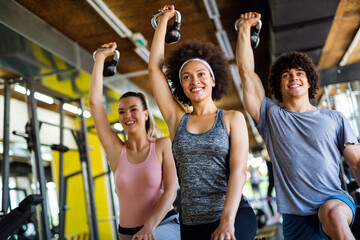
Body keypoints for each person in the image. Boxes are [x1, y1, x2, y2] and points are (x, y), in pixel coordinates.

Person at [236, 12, 360, 240]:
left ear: (309, 81)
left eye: (299, 73)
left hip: (335, 203)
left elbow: (357, 161)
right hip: (295, 218)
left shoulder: (335, 118)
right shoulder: (270, 116)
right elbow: (246, 73)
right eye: (286, 74)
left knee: (331, 214)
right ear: (278, 84)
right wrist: (244, 29)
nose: (293, 77)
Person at [148, 5, 257, 240]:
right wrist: (163, 23)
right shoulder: (177, 120)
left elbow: (239, 172)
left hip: (233, 214)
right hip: (191, 221)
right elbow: (154, 70)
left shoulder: (231, 118)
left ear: (213, 79)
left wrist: (227, 223)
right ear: (182, 86)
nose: (194, 81)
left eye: (201, 74)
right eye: (186, 77)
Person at [89, 42, 180, 240]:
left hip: (162, 226)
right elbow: (95, 103)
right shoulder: (116, 152)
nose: (127, 115)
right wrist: (100, 59)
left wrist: (149, 227)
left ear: (146, 114)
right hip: (126, 234)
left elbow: (171, 191)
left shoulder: (162, 145)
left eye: (133, 110)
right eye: (121, 112)